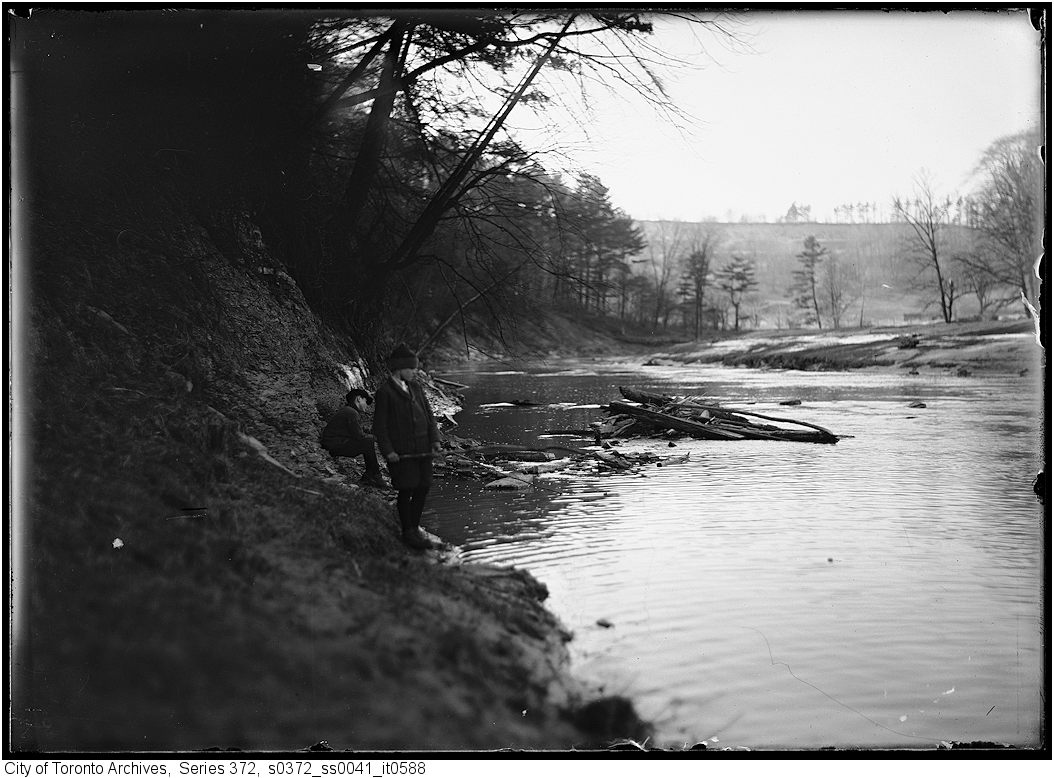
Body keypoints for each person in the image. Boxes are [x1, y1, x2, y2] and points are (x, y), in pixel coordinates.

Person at [373, 344, 442, 550]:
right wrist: (388, 452)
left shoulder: (417, 389)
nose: (414, 371)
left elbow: (429, 417)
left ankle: (415, 527)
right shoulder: (385, 393)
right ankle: (407, 532)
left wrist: (435, 440)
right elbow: (380, 426)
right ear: (399, 369)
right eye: (411, 368)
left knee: (423, 486)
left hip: (423, 450)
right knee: (406, 489)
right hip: (402, 454)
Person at [321, 389, 387, 489]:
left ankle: (371, 474)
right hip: (333, 445)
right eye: (366, 401)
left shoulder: (348, 410)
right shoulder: (351, 412)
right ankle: (375, 476)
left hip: (333, 444)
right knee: (368, 441)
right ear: (359, 399)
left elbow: (356, 433)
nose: (367, 405)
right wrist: (376, 438)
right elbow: (359, 436)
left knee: (368, 440)